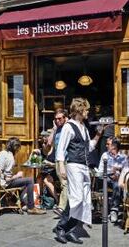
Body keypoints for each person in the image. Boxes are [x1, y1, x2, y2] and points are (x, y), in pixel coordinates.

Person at [54, 98, 103, 244]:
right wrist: (62, 166)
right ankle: (61, 228)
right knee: (77, 198)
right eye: (86, 109)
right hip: (74, 166)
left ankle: (69, 229)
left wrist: (99, 134)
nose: (88, 112)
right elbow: (61, 148)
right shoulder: (69, 127)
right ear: (79, 111)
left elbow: (89, 147)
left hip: (84, 166)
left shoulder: (83, 127)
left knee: (84, 200)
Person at [0, 137, 46, 215]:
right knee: (30, 180)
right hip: (3, 184)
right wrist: (17, 175)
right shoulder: (10, 158)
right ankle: (31, 208)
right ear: (16, 148)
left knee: (23, 181)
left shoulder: (2, 153)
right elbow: (7, 179)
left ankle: (21, 203)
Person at [98, 137, 126, 223]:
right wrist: (110, 173)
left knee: (117, 184)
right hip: (106, 178)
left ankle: (114, 210)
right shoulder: (105, 155)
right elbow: (100, 171)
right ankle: (113, 209)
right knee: (114, 183)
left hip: (119, 179)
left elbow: (126, 170)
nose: (106, 146)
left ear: (114, 146)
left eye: (108, 144)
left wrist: (118, 173)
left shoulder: (123, 157)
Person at [46, 108, 68, 216]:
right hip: (58, 160)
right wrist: (54, 129)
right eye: (56, 119)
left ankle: (62, 207)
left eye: (60, 119)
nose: (58, 121)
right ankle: (63, 206)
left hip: (66, 160)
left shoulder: (68, 128)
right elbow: (49, 142)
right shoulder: (57, 129)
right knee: (64, 184)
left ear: (65, 118)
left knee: (65, 184)